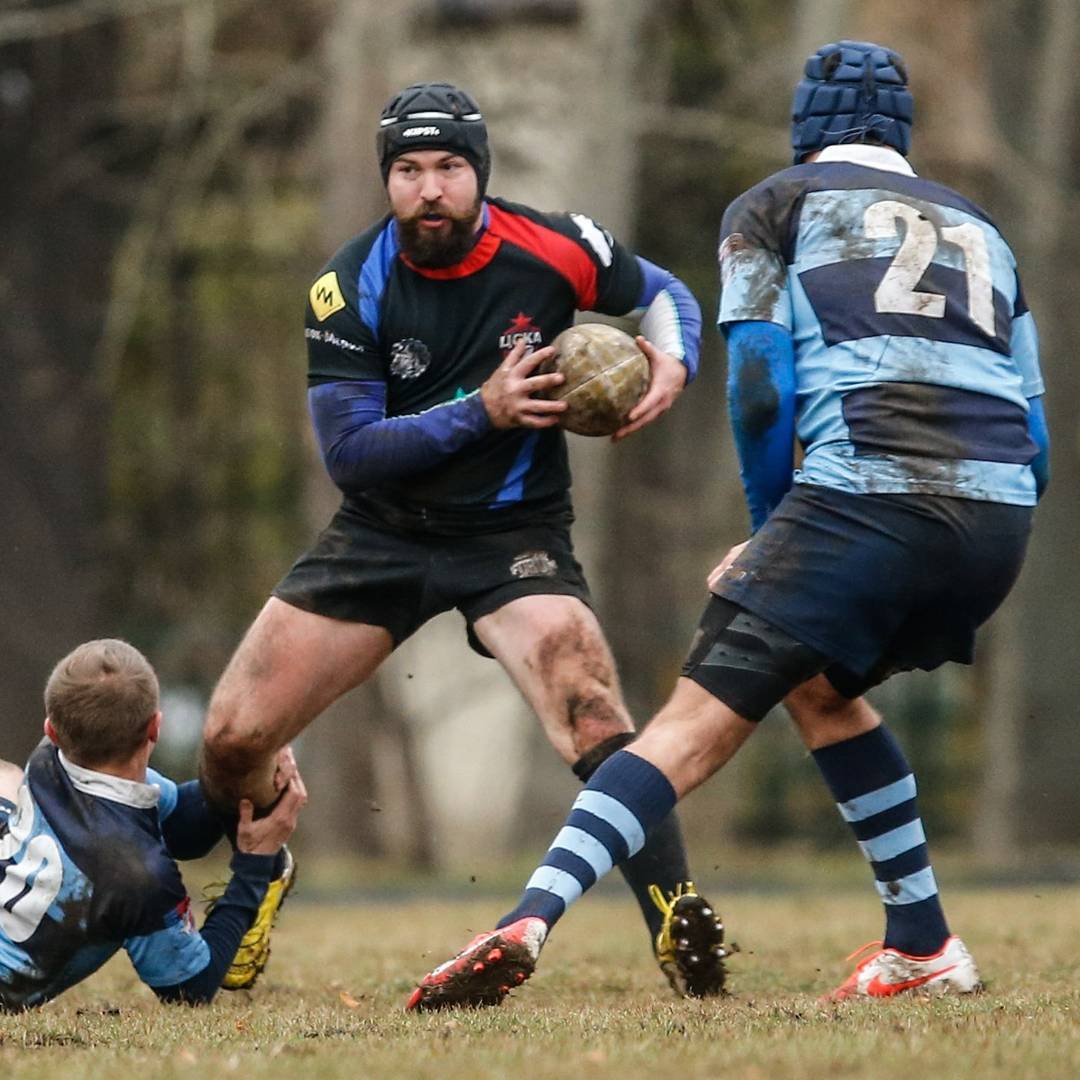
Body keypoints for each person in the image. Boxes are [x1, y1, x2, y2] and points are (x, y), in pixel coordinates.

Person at [409, 40, 1050, 1007]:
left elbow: (756, 385)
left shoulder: (773, 205)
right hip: (998, 518)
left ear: (806, 131)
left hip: (866, 497)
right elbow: (1035, 429)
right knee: (821, 688)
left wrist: (774, 526)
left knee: (688, 724)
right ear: (904, 137)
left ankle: (524, 921)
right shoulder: (985, 231)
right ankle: (922, 943)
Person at [198, 82, 727, 1003]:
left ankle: (679, 918)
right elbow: (352, 456)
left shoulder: (557, 248)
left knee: (592, 707)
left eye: (449, 168)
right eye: (408, 170)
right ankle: (256, 882)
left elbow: (667, 293)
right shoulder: (349, 282)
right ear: (387, 180)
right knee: (231, 738)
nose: (430, 189)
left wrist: (672, 359)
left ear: (478, 173)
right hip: (383, 531)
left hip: (513, 536)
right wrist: (482, 410)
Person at [0, 639, 306, 1010]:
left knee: (7, 777)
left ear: (51, 730)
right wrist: (254, 865)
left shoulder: (48, 759)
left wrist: (241, 769)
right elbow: (191, 988)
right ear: (156, 727)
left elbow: (179, 828)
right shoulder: (135, 877)